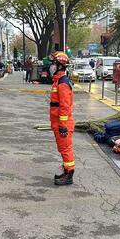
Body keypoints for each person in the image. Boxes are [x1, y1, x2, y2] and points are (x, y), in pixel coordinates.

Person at [50, 51, 75, 186]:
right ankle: (66, 171)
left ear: (60, 66)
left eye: (54, 63)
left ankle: (69, 174)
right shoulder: (59, 81)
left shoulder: (63, 83)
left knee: (65, 149)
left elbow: (65, 106)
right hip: (58, 122)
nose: (52, 66)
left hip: (62, 123)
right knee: (62, 148)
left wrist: (63, 124)